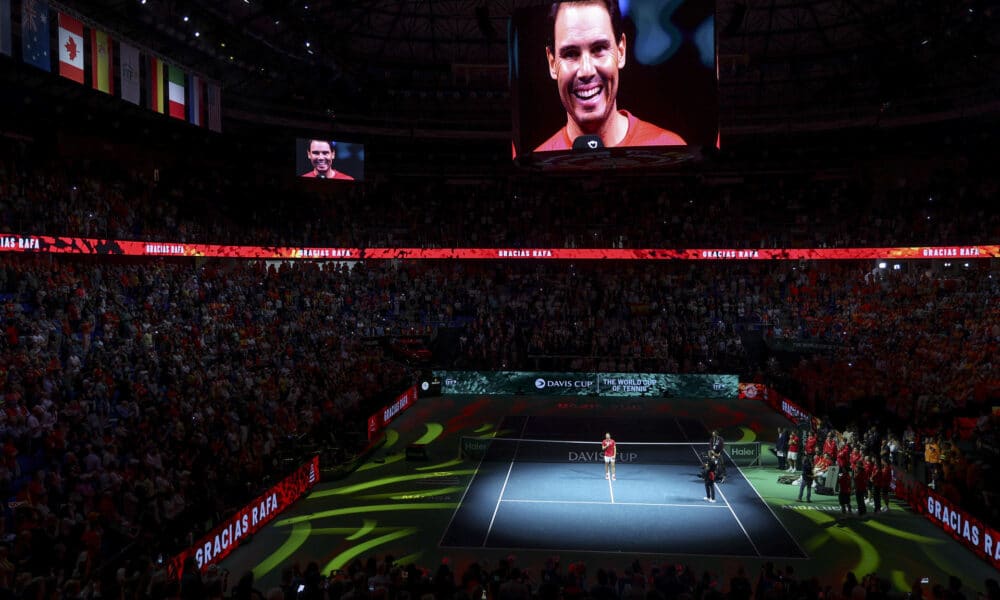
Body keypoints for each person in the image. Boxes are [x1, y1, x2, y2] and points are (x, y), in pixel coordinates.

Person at [534, 0, 687, 152]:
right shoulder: (536, 169)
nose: (586, 71)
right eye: (571, 54)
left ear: (621, 51)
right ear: (552, 63)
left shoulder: (670, 150)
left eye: (599, 48)